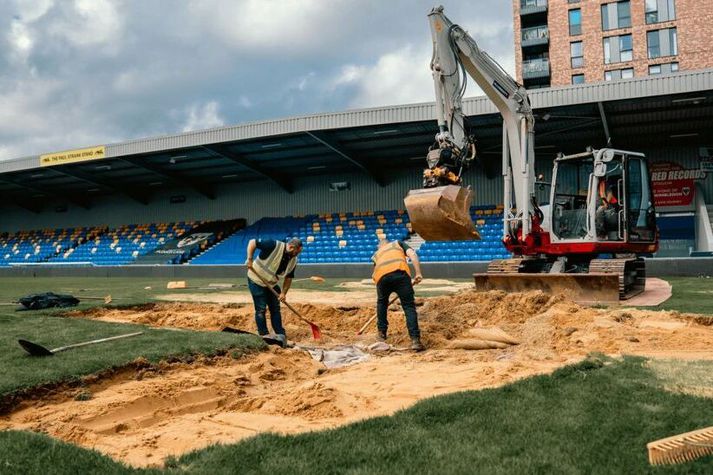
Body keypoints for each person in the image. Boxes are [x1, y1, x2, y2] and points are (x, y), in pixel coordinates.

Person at [246, 237, 303, 344]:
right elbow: (252, 242)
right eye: (296, 252)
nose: (297, 254)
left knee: (275, 309)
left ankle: (280, 334)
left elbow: (288, 278)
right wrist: (249, 259)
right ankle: (263, 335)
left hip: (271, 284)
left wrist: (283, 293)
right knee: (261, 309)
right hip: (256, 279)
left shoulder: (294, 260)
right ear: (291, 247)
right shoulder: (273, 244)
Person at [371, 238, 425, 351]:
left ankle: (381, 334)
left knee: (381, 303)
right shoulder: (397, 244)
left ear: (380, 246)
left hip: (381, 278)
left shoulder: (376, 254)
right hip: (400, 274)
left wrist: (382, 294)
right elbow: (412, 254)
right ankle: (415, 340)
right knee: (408, 306)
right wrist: (418, 273)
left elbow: (374, 274)